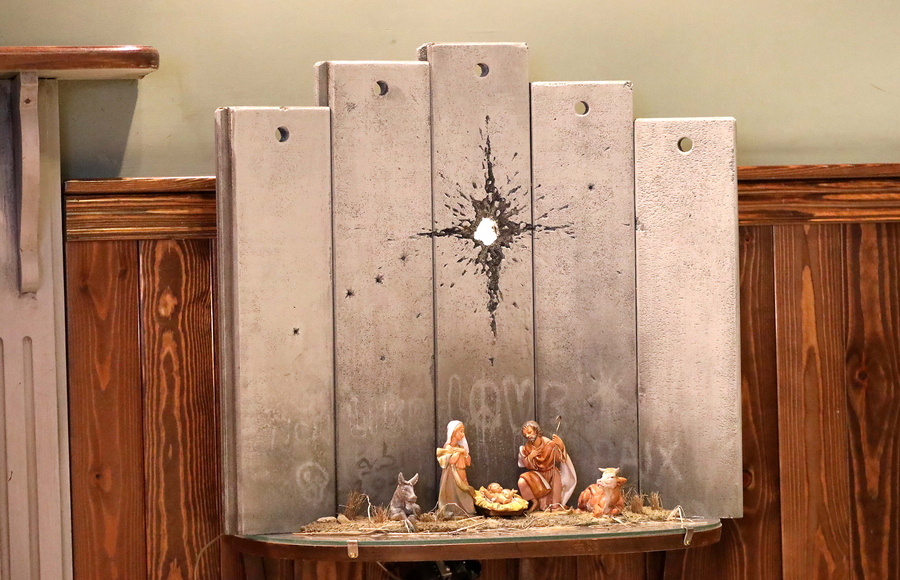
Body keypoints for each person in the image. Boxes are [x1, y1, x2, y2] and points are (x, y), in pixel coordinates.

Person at [517, 420, 577, 511]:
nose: (528, 436)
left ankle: (554, 506)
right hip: (538, 474)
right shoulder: (527, 448)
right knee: (522, 481)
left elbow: (561, 458)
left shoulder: (549, 444)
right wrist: (531, 456)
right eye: (525, 434)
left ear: (536, 430)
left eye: (529, 432)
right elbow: (527, 465)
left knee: (553, 505)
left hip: (552, 473)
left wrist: (561, 445)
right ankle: (535, 502)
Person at [436, 420, 476, 517]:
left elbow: (468, 462)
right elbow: (451, 461)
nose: (463, 434)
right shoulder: (448, 447)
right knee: (453, 494)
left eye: (463, 431)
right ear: (453, 432)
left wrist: (464, 452)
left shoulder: (461, 447)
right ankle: (453, 511)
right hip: (452, 475)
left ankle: (467, 512)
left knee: (465, 493)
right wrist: (458, 452)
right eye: (460, 431)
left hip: (461, 474)